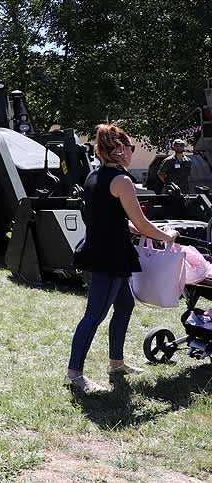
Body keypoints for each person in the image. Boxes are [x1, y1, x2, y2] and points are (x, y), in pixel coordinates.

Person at [67, 124, 179, 393]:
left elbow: (109, 216)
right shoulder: (122, 181)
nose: (131, 152)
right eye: (130, 148)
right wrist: (167, 236)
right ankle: (74, 374)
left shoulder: (95, 175)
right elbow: (140, 222)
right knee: (94, 315)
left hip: (99, 248)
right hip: (110, 255)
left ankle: (116, 363)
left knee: (125, 305)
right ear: (119, 150)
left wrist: (134, 228)